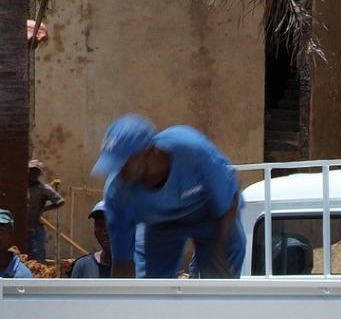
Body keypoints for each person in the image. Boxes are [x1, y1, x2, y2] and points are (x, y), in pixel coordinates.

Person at [92, 115, 246, 279]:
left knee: (222, 268)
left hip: (210, 215)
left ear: (148, 151)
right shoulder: (117, 194)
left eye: (123, 163)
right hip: (161, 224)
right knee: (151, 284)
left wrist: (218, 250)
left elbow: (230, 196)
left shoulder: (190, 149)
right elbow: (122, 262)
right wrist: (124, 294)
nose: (118, 172)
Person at [26, 158, 64, 261]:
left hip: (35, 228)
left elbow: (60, 201)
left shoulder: (43, 189)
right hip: (21, 228)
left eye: (36, 171)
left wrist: (43, 209)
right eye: (31, 170)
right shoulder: (21, 187)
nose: (33, 174)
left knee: (37, 256)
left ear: (39, 174)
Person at [68, 202, 113, 279]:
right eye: (100, 225)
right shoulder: (83, 266)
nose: (105, 232)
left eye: (111, 225)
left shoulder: (134, 268)